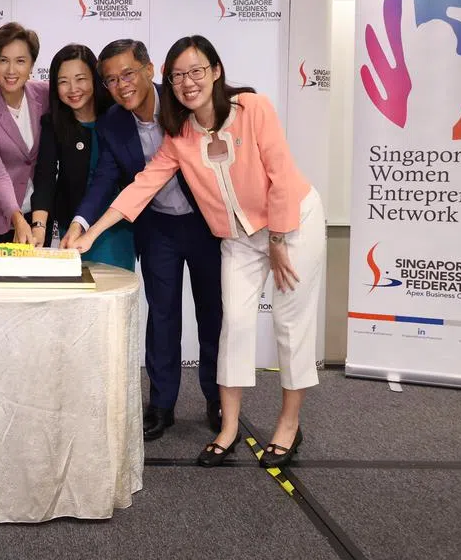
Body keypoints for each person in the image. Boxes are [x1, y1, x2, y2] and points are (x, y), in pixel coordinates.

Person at [69, 35, 326, 468]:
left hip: (292, 223)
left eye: (197, 72)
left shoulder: (252, 108)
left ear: (216, 71)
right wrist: (91, 232)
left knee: (289, 323)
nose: (188, 83)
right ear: (169, 79)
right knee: (236, 326)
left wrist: (280, 240)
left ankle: (288, 424)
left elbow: (281, 175)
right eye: (180, 75)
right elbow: (142, 186)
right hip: (238, 237)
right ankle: (229, 428)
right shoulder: (181, 133)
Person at [60, 39, 223, 442]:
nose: (121, 85)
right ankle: (162, 404)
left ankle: (218, 399)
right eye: (111, 80)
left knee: (214, 315)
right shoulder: (113, 122)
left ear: (151, 70)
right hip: (157, 230)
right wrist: (82, 221)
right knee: (162, 317)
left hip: (206, 225)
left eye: (128, 74)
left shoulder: (185, 101)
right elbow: (105, 177)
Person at [30, 43, 134, 269]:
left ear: (95, 79)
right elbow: (45, 176)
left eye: (80, 79)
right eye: (63, 82)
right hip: (74, 227)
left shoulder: (118, 115)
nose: (73, 88)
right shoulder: (54, 123)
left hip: (115, 227)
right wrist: (39, 226)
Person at [0, 22, 50, 244]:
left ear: (32, 65)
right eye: (3, 60)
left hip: (38, 212)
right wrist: (16, 217)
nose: (11, 70)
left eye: (20, 61)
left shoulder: (45, 95)